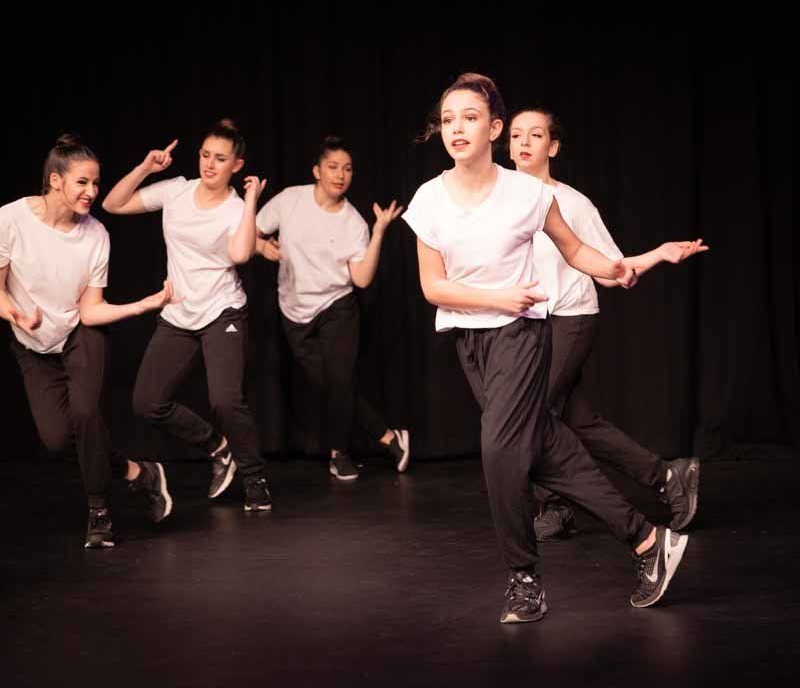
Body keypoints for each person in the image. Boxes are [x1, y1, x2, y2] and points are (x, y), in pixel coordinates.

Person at [402, 73, 689, 623]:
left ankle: (523, 578)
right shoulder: (429, 198)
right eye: (447, 120)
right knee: (546, 447)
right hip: (470, 340)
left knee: (500, 452)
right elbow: (432, 287)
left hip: (520, 335)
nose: (456, 128)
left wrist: (633, 264)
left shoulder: (529, 193)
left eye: (469, 118)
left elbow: (578, 250)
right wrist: (495, 296)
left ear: (495, 128)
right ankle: (650, 541)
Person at [508, 107, 706, 540]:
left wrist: (652, 256)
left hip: (571, 319)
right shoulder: (500, 198)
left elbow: (607, 267)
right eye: (517, 135)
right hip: (527, 324)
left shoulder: (573, 203)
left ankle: (561, 504)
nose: (523, 143)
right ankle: (666, 476)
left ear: (552, 146)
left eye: (535, 135)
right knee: (575, 420)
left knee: (530, 414)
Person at [0, 134, 175, 548]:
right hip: (31, 343)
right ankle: (140, 473)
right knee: (58, 440)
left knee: (84, 414)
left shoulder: (96, 234)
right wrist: (14, 313)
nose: (92, 193)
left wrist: (141, 305)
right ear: (56, 180)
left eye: (96, 184)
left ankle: (98, 510)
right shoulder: (10, 219)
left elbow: (90, 310)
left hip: (81, 332)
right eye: (83, 182)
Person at [102, 119, 272, 512]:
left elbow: (243, 254)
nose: (210, 164)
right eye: (205, 155)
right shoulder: (176, 191)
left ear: (237, 165)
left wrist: (249, 204)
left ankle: (254, 477)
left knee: (226, 401)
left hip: (221, 310)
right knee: (145, 402)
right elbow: (113, 204)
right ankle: (217, 447)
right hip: (178, 312)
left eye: (221, 159)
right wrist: (147, 167)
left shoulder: (234, 208)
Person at [254, 136, 410, 481]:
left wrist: (379, 231)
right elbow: (248, 233)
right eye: (333, 167)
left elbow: (362, 279)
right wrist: (262, 246)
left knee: (340, 381)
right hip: (294, 310)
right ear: (317, 170)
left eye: (348, 169)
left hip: (337, 306)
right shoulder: (290, 200)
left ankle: (339, 454)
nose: (341, 175)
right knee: (331, 385)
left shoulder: (353, 222)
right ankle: (388, 437)